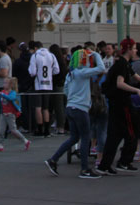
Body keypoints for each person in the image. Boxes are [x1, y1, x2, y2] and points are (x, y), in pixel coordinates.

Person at [44, 48, 107, 179]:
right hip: (80, 108)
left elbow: (66, 91)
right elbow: (101, 68)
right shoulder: (82, 72)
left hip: (70, 107)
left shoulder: (70, 74)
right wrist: (95, 54)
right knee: (85, 137)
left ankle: (54, 159)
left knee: (74, 138)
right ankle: (84, 169)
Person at [96, 38, 140, 176]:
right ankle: (124, 161)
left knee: (114, 135)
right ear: (129, 49)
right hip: (122, 104)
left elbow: (137, 77)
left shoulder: (123, 63)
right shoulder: (122, 65)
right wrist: (137, 91)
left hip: (116, 103)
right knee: (133, 131)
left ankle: (105, 165)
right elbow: (120, 83)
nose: (136, 50)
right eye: (135, 48)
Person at [28, 40, 60, 137]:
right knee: (46, 108)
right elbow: (56, 70)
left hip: (38, 84)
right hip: (48, 84)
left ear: (36, 48)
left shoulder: (35, 56)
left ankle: (39, 128)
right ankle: (47, 129)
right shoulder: (51, 55)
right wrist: (50, 74)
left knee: (38, 107)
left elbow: (32, 72)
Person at [0, 76, 30, 151]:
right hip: (3, 114)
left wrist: (1, 94)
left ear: (10, 85)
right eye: (4, 83)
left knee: (13, 130)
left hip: (11, 114)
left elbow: (10, 98)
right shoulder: (3, 92)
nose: (4, 84)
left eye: (6, 83)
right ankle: (0, 145)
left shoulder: (13, 93)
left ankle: (25, 141)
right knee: (1, 130)